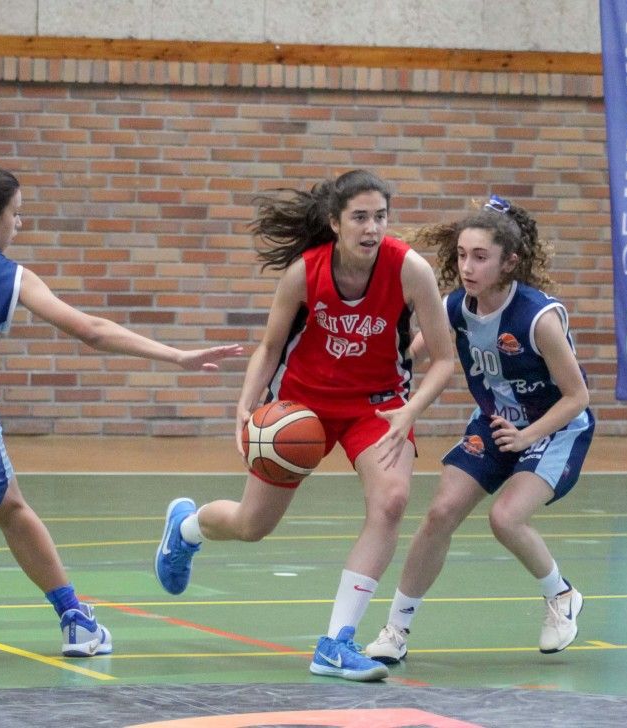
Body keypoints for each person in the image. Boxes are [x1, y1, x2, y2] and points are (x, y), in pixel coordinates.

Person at [152, 169, 455, 682]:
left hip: (376, 406)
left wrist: (410, 411)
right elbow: (271, 346)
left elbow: (444, 359)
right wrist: (245, 407)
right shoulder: (304, 273)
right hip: (301, 408)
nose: (372, 228)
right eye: (359, 217)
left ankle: (336, 643)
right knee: (253, 525)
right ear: (335, 222)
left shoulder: (410, 270)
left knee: (392, 501)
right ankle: (187, 526)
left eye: (380, 217)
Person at [0, 163, 244, 658]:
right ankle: (76, 621)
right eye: (16, 214)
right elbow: (91, 330)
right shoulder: (7, 274)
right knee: (12, 512)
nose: (21, 224)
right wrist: (177, 355)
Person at [363, 195, 594, 665]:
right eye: (462, 255)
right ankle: (397, 629)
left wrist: (528, 437)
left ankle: (562, 595)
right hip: (494, 422)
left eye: (480, 257)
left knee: (505, 518)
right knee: (440, 511)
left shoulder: (538, 318)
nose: (467, 267)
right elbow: (410, 354)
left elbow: (577, 397)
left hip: (554, 427)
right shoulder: (454, 307)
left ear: (509, 262)